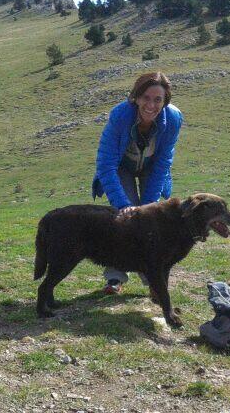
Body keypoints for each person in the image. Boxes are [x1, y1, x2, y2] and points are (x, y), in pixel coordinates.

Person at [91, 71, 183, 294]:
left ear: (165, 101)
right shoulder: (120, 115)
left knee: (151, 221)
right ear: (136, 97)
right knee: (123, 218)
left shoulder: (173, 119)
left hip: (152, 168)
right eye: (146, 98)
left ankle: (153, 279)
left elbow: (163, 163)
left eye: (158, 99)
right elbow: (106, 164)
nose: (151, 105)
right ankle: (115, 278)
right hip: (121, 166)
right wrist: (124, 205)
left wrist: (149, 207)